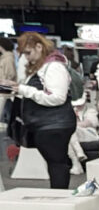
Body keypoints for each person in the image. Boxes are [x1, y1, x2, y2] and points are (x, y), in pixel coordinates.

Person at [10, 34, 75, 188]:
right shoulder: (46, 66)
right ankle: (60, 200)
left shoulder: (54, 67)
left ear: (39, 47)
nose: (26, 58)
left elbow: (57, 97)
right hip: (49, 124)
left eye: (28, 52)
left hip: (53, 125)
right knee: (56, 165)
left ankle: (60, 201)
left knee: (57, 166)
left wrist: (24, 90)